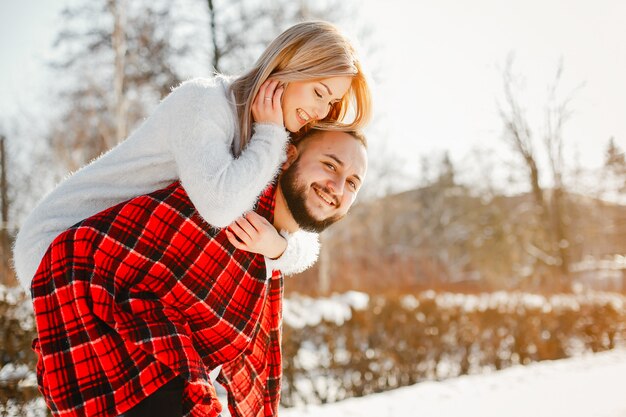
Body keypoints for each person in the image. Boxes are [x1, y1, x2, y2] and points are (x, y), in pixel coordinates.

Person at [31, 128, 368, 417]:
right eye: (329, 164)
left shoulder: (271, 256)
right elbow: (84, 250)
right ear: (289, 155)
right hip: (127, 374)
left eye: (353, 183)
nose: (338, 186)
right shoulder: (224, 210)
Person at [13, 20, 372, 291]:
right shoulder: (204, 102)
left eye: (331, 103)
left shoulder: (270, 139)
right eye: (320, 93)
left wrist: (276, 247)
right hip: (61, 239)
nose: (322, 111)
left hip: (125, 252)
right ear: (289, 67)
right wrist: (271, 134)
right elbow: (219, 206)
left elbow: (303, 236)